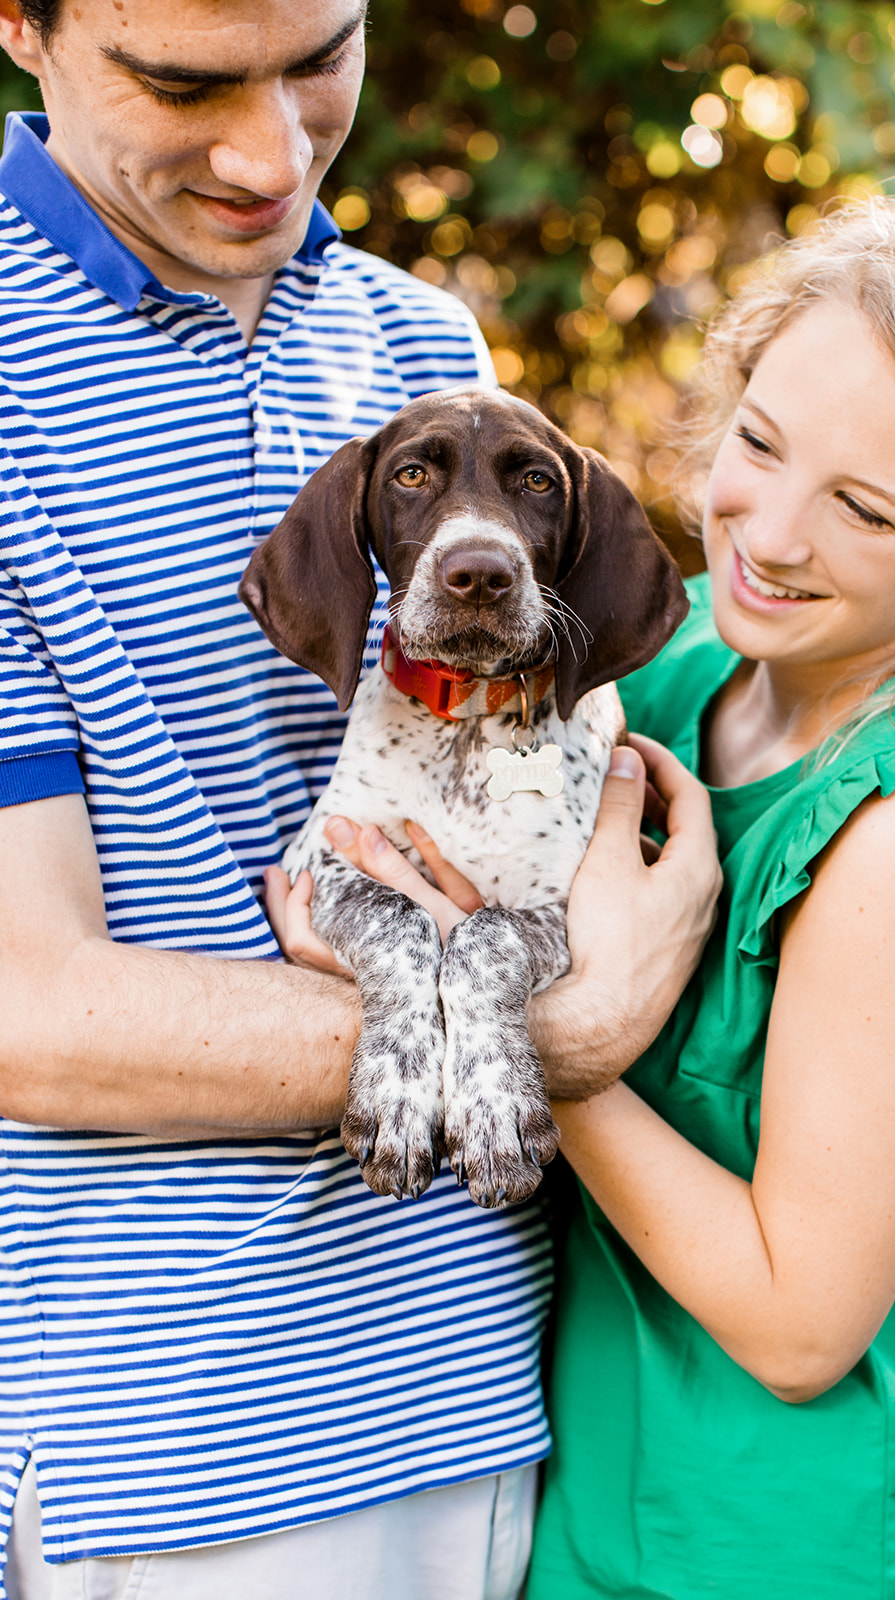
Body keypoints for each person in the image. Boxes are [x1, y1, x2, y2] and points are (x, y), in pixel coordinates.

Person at [0, 1, 716, 1596]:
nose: (273, 154)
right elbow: (21, 1014)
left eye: (321, 56)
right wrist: (567, 1037)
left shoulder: (421, 347)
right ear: (19, 23)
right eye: (183, 83)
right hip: (188, 1444)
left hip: (497, 1383)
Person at [345, 192, 895, 1598]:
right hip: (579, 1521)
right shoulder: (660, 684)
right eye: (760, 445)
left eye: (863, 509)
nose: (772, 535)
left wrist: (543, 1038)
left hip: (786, 1548)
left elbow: (803, 1323)